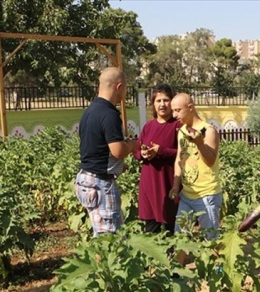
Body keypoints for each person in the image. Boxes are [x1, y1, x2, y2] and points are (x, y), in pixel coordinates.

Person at [74, 67, 138, 236]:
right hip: (100, 184)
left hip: (86, 179)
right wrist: (132, 145)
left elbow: (97, 148)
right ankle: (103, 264)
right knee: (109, 238)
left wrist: (118, 167)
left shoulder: (90, 112)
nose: (124, 95)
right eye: (124, 89)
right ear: (119, 87)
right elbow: (117, 151)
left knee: (101, 231)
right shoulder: (109, 114)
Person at [169, 93, 222, 239]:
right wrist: (175, 185)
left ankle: (218, 263)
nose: (174, 115)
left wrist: (199, 143)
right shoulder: (182, 131)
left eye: (177, 110)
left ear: (190, 107)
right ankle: (177, 263)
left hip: (207, 195)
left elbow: (210, 161)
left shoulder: (208, 131)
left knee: (211, 240)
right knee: (180, 238)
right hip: (186, 195)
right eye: (173, 110)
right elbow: (180, 159)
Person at [134, 84, 181, 235]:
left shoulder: (177, 125)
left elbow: (184, 153)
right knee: (151, 228)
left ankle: (172, 258)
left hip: (169, 181)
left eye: (166, 100)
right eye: (158, 100)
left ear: (172, 102)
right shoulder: (148, 126)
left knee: (171, 225)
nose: (162, 104)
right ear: (153, 104)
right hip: (149, 182)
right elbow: (136, 149)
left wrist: (161, 151)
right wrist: (143, 153)